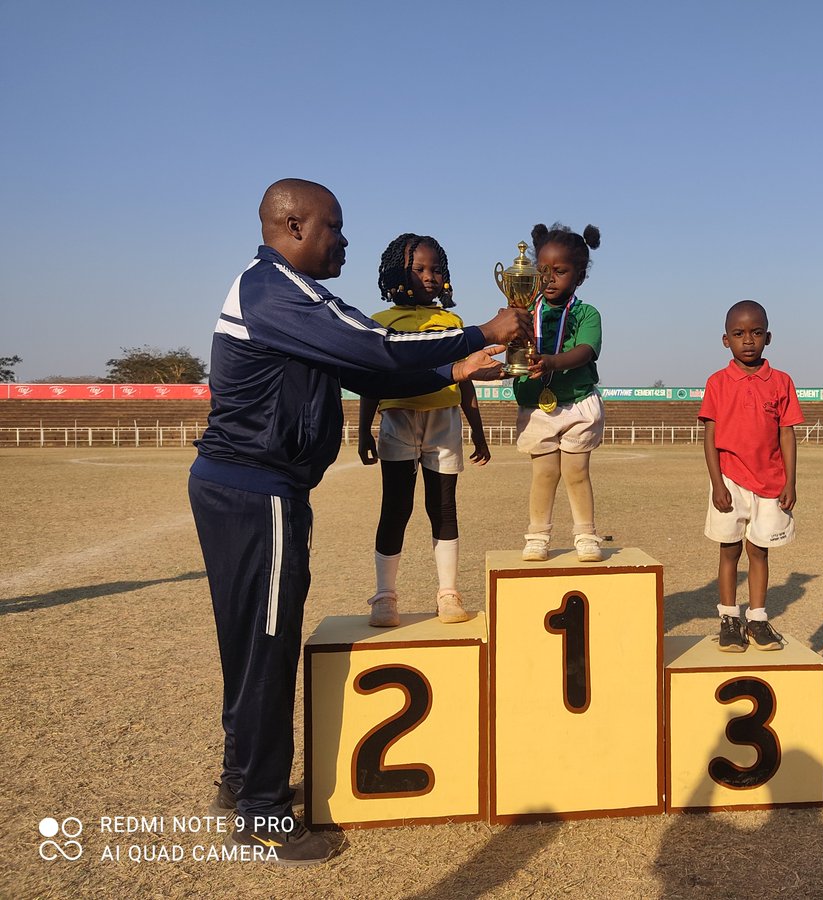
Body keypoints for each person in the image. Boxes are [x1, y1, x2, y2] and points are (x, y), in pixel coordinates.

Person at [189, 178, 530, 866]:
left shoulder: (283, 292)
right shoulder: (277, 289)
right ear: (292, 227)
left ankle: (238, 779)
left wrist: (455, 362)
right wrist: (482, 331)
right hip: (259, 490)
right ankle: (260, 809)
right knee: (268, 645)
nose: (344, 239)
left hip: (243, 486)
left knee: (251, 644)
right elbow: (374, 348)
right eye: (334, 228)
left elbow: (375, 373)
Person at [357, 233, 490, 627]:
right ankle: (384, 597)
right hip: (398, 419)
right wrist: (364, 430)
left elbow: (465, 381)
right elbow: (371, 382)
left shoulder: (453, 324)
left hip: (443, 420)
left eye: (436, 270)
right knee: (395, 506)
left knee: (443, 507)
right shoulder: (380, 324)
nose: (429, 277)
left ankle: (448, 593)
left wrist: (478, 432)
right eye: (419, 269)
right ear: (398, 273)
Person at [698, 300, 803, 652]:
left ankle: (757, 618)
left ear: (768, 337)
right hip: (729, 479)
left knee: (759, 552)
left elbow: (787, 433)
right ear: (725, 340)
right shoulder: (717, 382)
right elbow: (710, 435)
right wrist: (716, 484)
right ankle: (729, 618)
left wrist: (790, 481)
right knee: (730, 551)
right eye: (739, 334)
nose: (748, 340)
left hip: (770, 482)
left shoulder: (782, 382)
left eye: (756, 333)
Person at [515, 222, 605, 563]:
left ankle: (585, 534)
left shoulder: (586, 313)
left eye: (560, 271)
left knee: (576, 472)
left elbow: (586, 351)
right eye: (542, 271)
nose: (550, 278)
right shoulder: (524, 310)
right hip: (537, 406)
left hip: (578, 403)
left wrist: (551, 361)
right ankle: (537, 535)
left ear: (579, 276)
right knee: (545, 473)